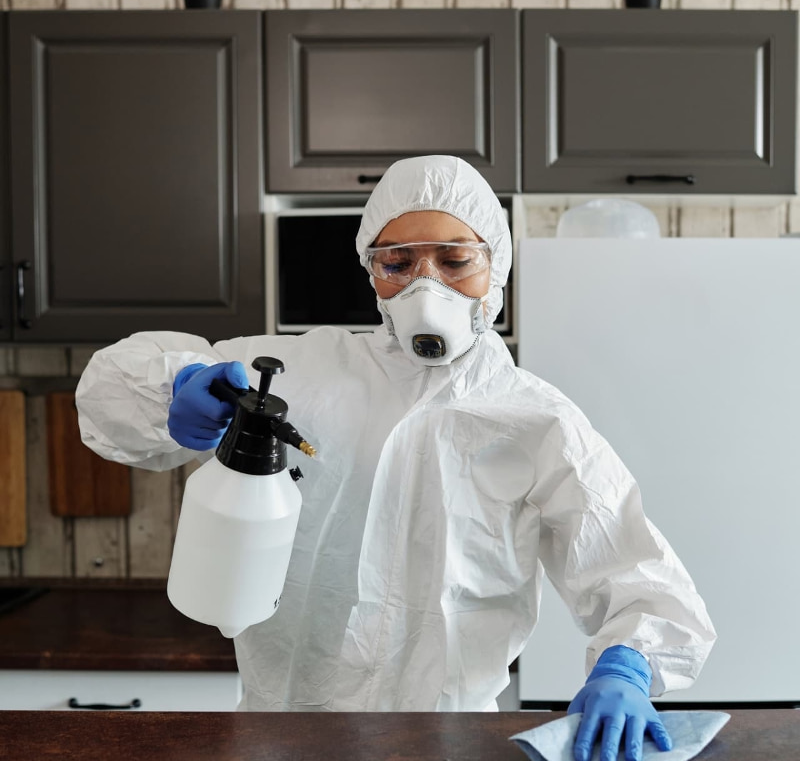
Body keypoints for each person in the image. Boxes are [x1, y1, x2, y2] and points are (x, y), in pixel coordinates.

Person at [76, 155, 715, 761]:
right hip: (284, 734)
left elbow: (637, 575)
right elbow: (111, 393)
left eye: (455, 260)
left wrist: (629, 666)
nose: (425, 285)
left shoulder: (538, 421)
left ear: (496, 267)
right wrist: (176, 388)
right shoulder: (299, 372)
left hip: (451, 740)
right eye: (398, 262)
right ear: (371, 270)